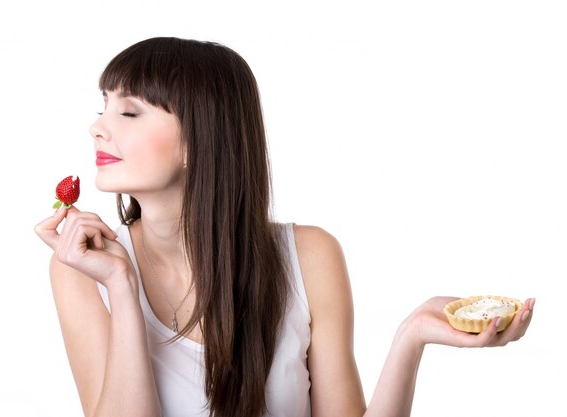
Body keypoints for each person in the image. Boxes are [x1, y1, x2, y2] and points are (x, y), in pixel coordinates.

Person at [35, 37, 535, 417]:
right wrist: (122, 286)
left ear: (198, 142)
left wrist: (411, 336)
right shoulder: (84, 268)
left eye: (127, 112)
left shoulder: (310, 256)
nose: (97, 127)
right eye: (102, 108)